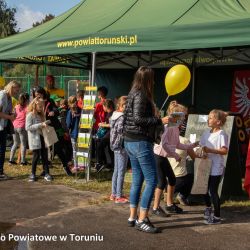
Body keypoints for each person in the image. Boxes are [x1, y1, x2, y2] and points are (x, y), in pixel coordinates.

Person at [123, 66, 168, 233]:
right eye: (152, 78)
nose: (154, 81)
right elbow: (138, 119)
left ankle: (132, 217)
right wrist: (158, 120)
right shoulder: (141, 94)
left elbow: (132, 118)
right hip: (140, 142)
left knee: (137, 180)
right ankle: (142, 219)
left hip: (130, 141)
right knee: (152, 181)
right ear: (147, 79)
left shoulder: (132, 93)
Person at [153, 103, 198, 217]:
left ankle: (169, 204)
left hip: (163, 156)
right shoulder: (167, 128)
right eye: (183, 116)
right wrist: (175, 155)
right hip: (158, 156)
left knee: (172, 179)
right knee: (162, 182)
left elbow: (177, 144)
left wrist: (191, 146)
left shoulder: (176, 129)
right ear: (175, 117)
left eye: (184, 116)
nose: (184, 119)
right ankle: (155, 207)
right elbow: (164, 145)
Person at [34, 87, 73, 176]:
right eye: (36, 95)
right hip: (44, 129)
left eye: (38, 94)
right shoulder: (36, 102)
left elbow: (56, 110)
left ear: (42, 93)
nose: (37, 96)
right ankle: (47, 169)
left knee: (57, 148)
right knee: (48, 150)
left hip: (54, 128)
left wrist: (53, 112)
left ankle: (64, 167)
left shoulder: (49, 101)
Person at [200, 109, 228, 225]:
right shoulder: (206, 133)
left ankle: (217, 217)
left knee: (213, 190)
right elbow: (202, 146)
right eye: (208, 117)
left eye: (211, 118)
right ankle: (208, 207)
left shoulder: (222, 134)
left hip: (216, 167)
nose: (208, 119)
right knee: (203, 189)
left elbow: (224, 151)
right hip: (205, 165)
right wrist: (201, 152)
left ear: (218, 122)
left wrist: (210, 150)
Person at [26, 98, 52, 182]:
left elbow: (42, 125)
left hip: (43, 138)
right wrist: (40, 125)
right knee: (36, 156)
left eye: (42, 106)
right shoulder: (30, 115)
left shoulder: (41, 115)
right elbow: (28, 127)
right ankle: (32, 174)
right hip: (35, 139)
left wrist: (45, 125)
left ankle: (47, 173)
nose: (41, 108)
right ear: (35, 105)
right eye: (40, 106)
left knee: (45, 156)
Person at [110, 96, 129, 204]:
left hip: (115, 145)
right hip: (121, 146)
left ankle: (114, 193)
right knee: (121, 171)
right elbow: (121, 130)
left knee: (117, 170)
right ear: (121, 106)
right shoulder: (121, 117)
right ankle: (118, 196)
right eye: (126, 106)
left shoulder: (114, 115)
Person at [0, 81, 20, 179]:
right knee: (1, 150)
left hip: (3, 126)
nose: (17, 92)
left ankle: (1, 171)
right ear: (11, 87)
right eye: (16, 89)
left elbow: (6, 112)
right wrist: (10, 117)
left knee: (2, 150)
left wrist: (12, 114)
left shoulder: (9, 98)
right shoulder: (2, 95)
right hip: (0, 127)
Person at [9, 93, 29, 166]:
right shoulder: (27, 108)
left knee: (15, 143)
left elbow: (13, 115)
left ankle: (11, 160)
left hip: (14, 126)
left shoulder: (16, 106)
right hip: (22, 127)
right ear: (26, 100)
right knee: (23, 144)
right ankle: (23, 161)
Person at [95, 99, 115, 172]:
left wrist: (102, 124)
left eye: (103, 106)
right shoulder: (110, 113)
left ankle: (100, 163)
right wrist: (104, 123)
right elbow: (108, 122)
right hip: (109, 134)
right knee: (110, 150)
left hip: (109, 134)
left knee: (100, 146)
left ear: (106, 106)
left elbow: (111, 125)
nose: (103, 108)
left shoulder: (111, 113)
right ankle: (112, 165)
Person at [66, 96, 81, 171]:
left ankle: (76, 165)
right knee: (81, 149)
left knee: (75, 150)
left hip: (74, 133)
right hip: (81, 133)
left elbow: (68, 124)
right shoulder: (80, 110)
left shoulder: (69, 112)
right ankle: (81, 165)